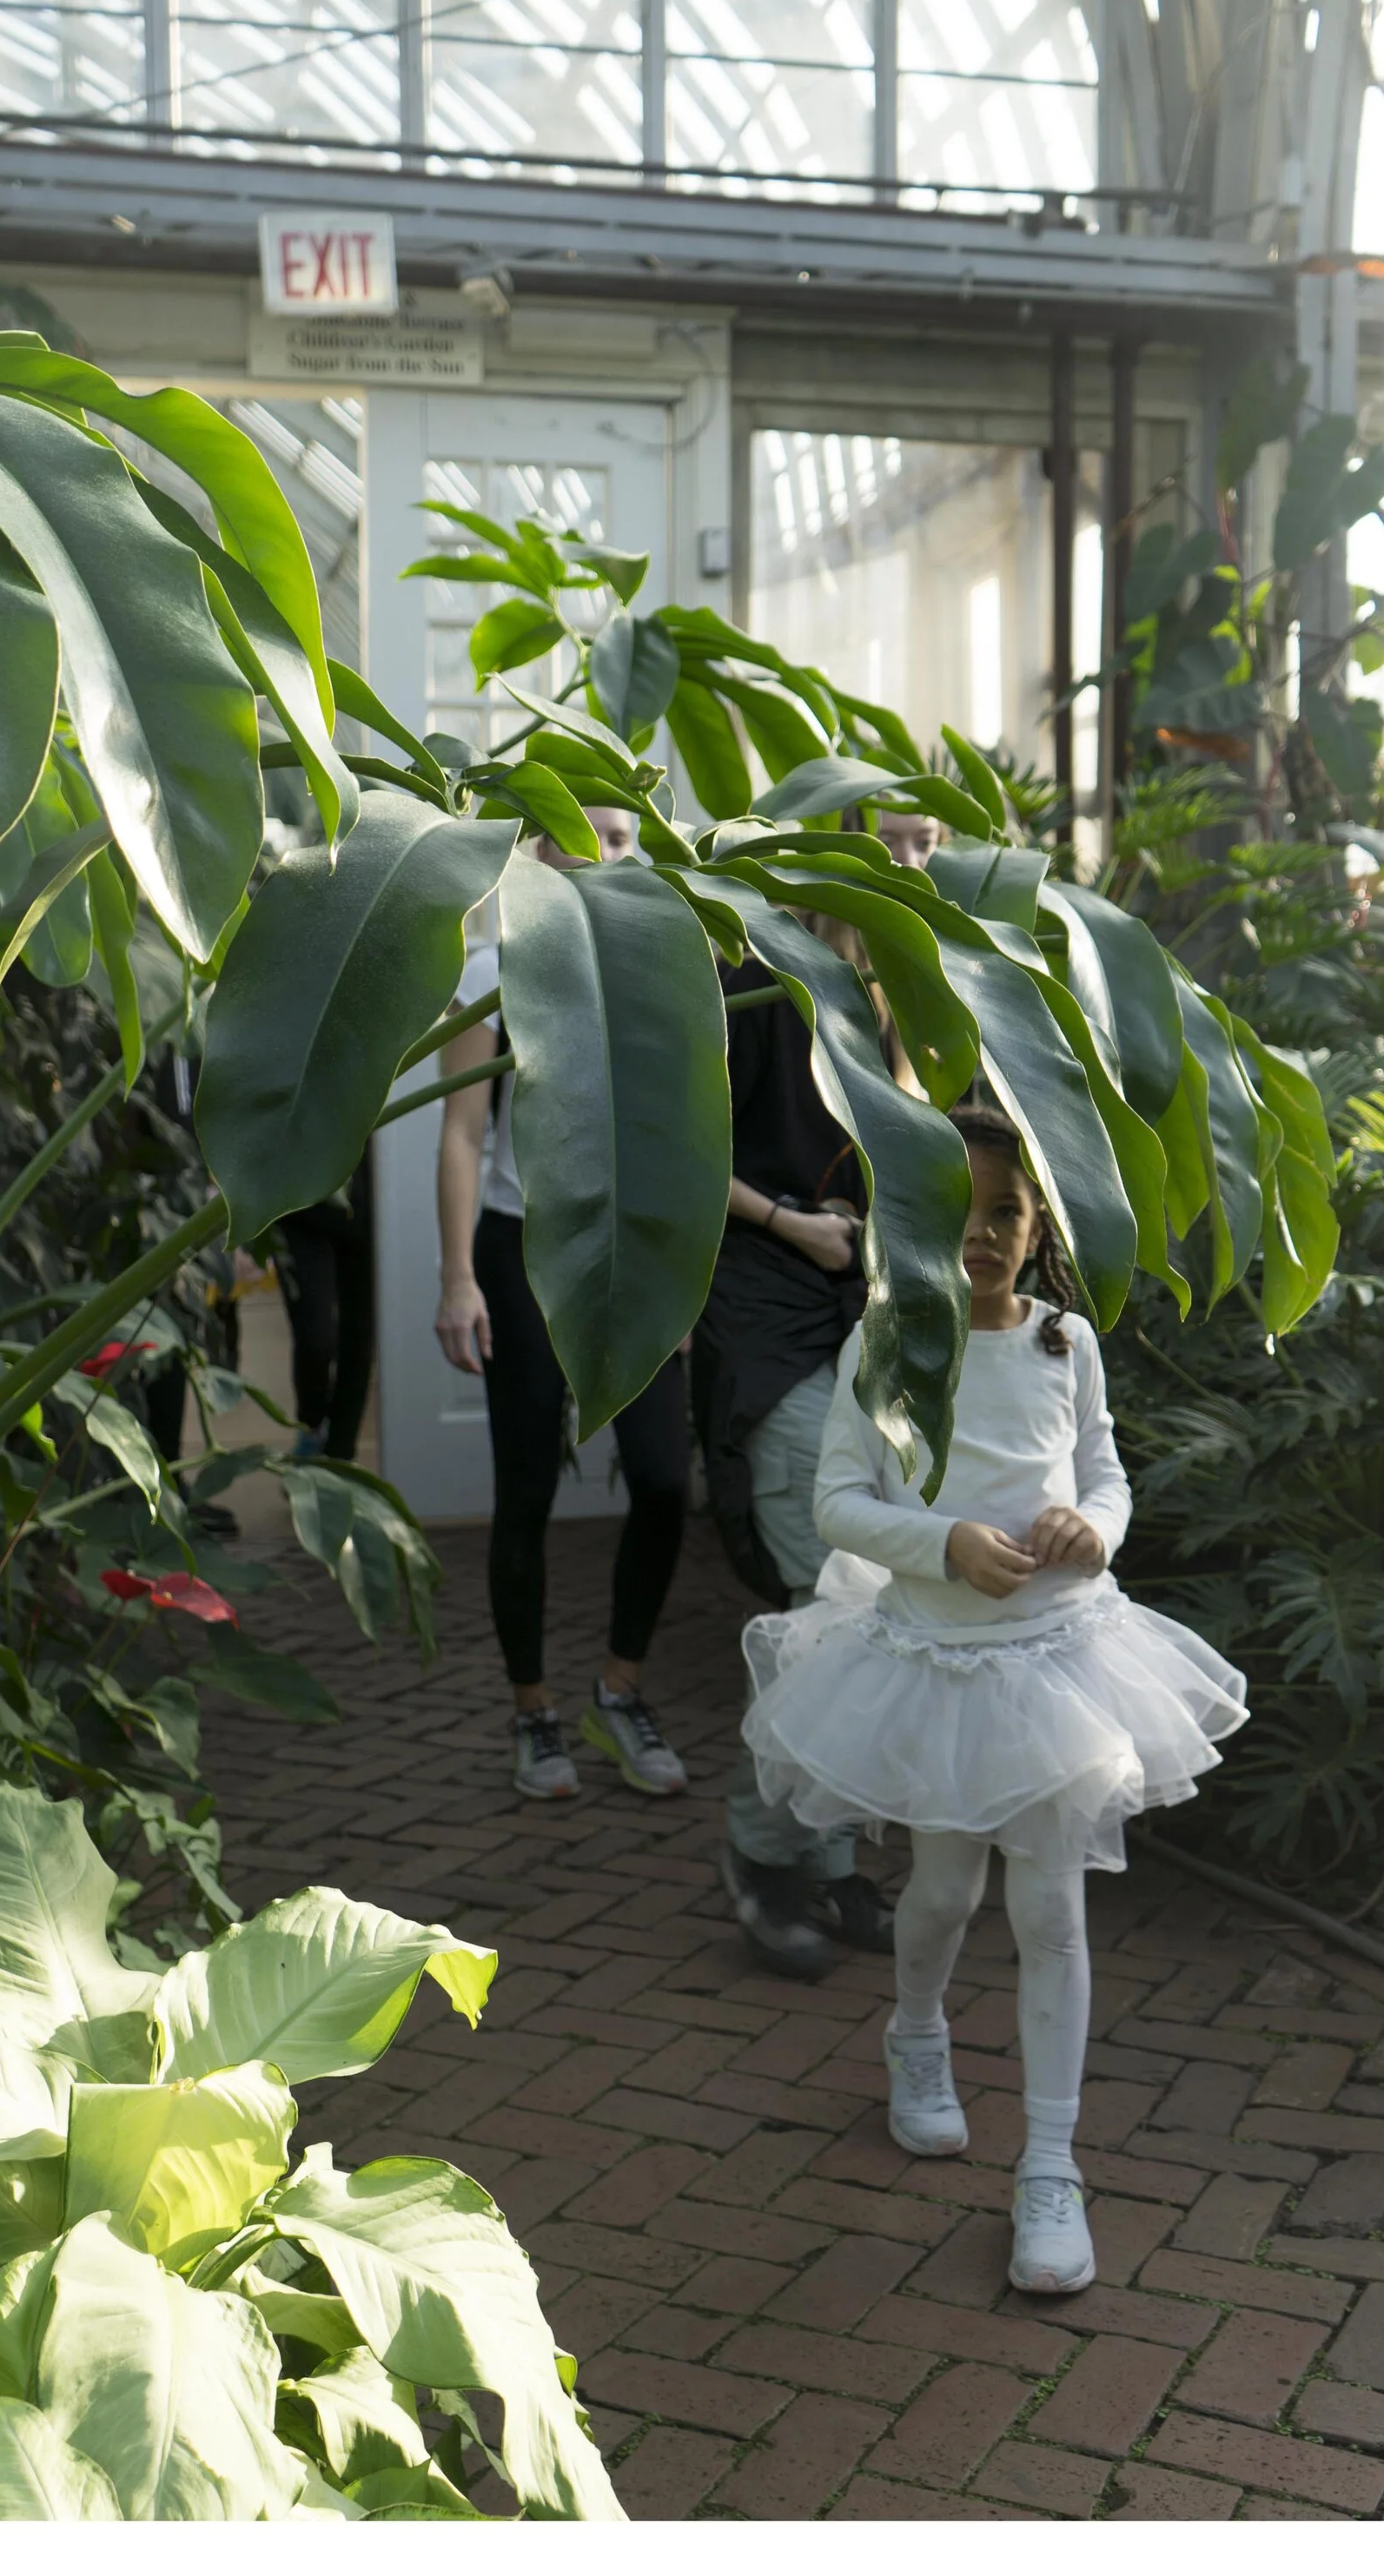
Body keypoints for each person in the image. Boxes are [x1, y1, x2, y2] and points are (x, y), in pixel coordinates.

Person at [738, 1105, 1249, 2293]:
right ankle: (916, 2031)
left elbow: (1106, 1472)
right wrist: (945, 1543)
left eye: (1005, 1212)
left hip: (1060, 1660)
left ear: (1039, 1228)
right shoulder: (885, 1344)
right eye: (955, 1212)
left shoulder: (1067, 1344)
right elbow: (839, 1502)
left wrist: (1093, 1528)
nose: (980, 1233)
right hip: (938, 1660)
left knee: (1051, 1912)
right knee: (945, 1891)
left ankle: (1050, 2168)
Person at [705, 806, 944, 1980]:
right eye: (889, 837)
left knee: (862, 1607)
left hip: (862, 1333)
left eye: (927, 843)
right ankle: (763, 1857)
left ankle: (834, 1860)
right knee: (827, 1607)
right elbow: (680, 1147)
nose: (909, 862)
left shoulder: (896, 1004)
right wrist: (789, 1224)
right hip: (770, 1321)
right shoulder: (758, 984)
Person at [434, 807, 692, 1802]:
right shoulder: (489, 972)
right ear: (538, 848)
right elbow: (463, 1135)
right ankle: (533, 1711)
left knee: (664, 1481)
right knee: (527, 1489)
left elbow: (678, 1136)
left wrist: (679, 1278)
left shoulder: (662, 972)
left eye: (623, 836)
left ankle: (618, 1691)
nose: (604, 852)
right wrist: (457, 1276)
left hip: (634, 1253)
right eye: (583, 832)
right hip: (521, 1250)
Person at [275, 1151, 375, 1462]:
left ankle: (341, 1450)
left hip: (367, 1206)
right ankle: (312, 1425)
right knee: (315, 1338)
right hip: (298, 1205)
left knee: (359, 1337)